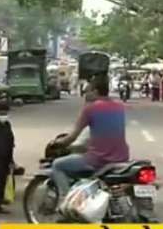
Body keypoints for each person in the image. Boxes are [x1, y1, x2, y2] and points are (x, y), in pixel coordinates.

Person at [50, 74, 129, 208]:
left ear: (96, 91)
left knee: (57, 165)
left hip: (99, 160)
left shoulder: (90, 109)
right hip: (122, 157)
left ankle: (69, 203)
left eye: (88, 90)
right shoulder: (120, 107)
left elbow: (72, 137)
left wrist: (57, 143)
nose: (85, 94)